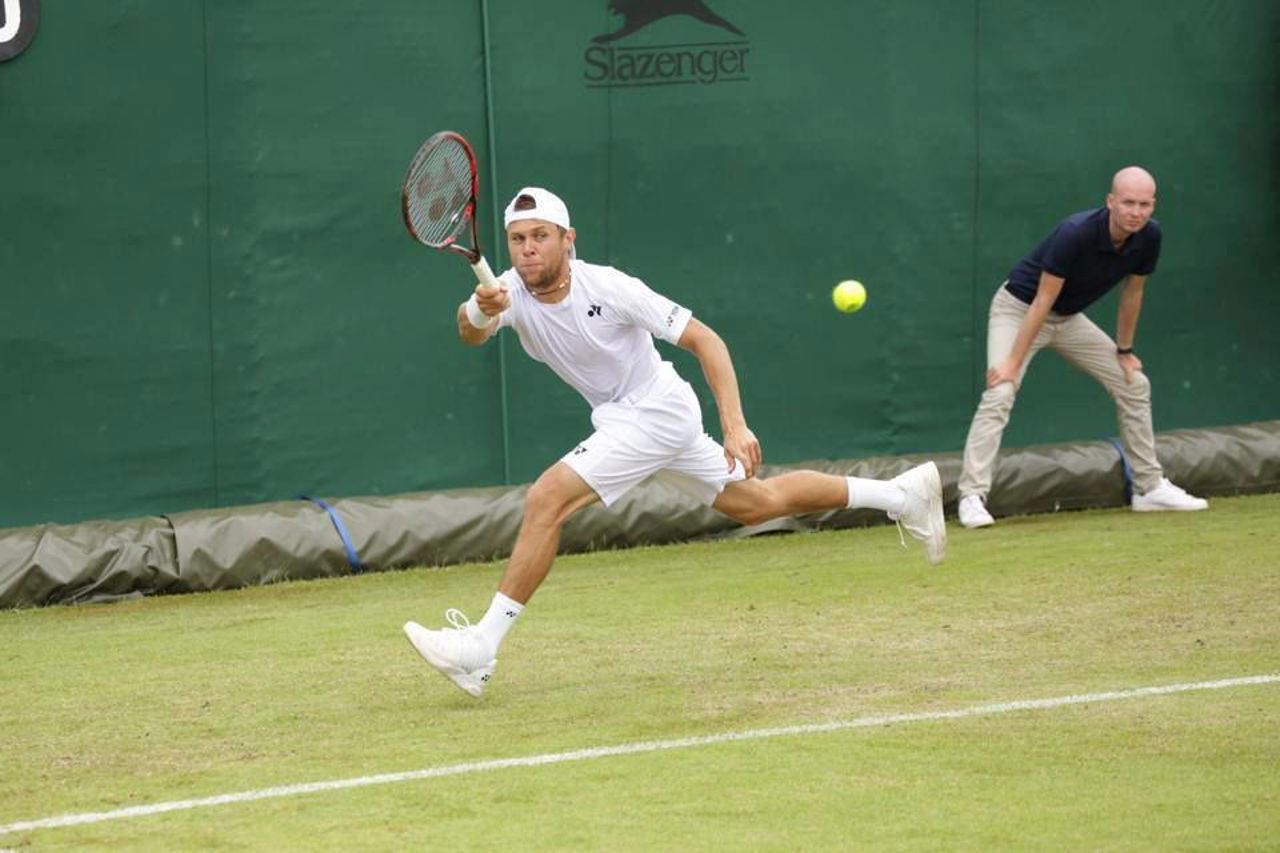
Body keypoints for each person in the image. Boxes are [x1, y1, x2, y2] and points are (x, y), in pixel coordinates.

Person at [404, 186, 946, 697]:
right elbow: (469, 332)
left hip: (656, 412)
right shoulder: (508, 292)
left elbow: (705, 340)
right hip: (625, 419)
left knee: (547, 498)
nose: (528, 250)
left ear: (569, 239)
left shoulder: (610, 287)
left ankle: (482, 646)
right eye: (519, 239)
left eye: (540, 236)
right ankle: (902, 496)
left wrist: (734, 424)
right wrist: (480, 310)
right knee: (758, 504)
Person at [956, 166, 1208, 529]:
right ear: (1110, 202)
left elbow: (1133, 293)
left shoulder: (1150, 236)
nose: (1136, 212)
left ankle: (1149, 488)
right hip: (1020, 310)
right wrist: (1012, 362)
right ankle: (971, 496)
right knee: (1000, 391)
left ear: (1153, 205)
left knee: (1134, 384)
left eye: (1144, 204)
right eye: (1127, 203)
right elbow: (1042, 301)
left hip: (1068, 318)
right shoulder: (1075, 232)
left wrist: (1124, 349)